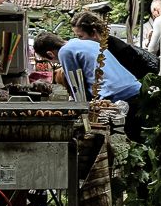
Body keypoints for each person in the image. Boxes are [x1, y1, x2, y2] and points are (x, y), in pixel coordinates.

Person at [68, 11, 146, 140]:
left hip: (131, 99)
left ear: (93, 32)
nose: (79, 41)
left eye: (80, 36)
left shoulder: (115, 49)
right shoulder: (98, 48)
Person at [32, 30, 141, 105]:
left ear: (50, 54)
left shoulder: (65, 52)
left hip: (116, 96)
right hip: (136, 88)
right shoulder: (84, 43)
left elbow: (78, 90)